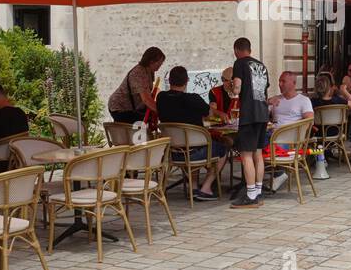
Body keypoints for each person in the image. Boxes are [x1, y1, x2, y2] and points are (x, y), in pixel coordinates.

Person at [155, 65, 225, 201]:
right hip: (194, 154)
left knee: (194, 143)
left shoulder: (161, 98)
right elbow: (209, 112)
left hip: (172, 153)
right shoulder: (193, 99)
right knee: (222, 149)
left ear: (169, 81)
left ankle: (193, 188)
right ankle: (206, 187)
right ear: (187, 81)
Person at [230, 37, 270, 209]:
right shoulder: (261, 65)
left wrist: (231, 88)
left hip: (249, 114)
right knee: (258, 154)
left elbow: (237, 88)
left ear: (237, 50)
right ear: (250, 49)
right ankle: (258, 191)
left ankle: (250, 195)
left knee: (245, 155)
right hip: (263, 113)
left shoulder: (240, 63)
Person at [108, 47, 165, 124]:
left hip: (133, 107)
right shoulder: (139, 73)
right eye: (159, 62)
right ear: (151, 61)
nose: (161, 64)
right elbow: (146, 99)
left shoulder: (149, 71)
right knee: (145, 123)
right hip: (120, 108)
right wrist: (162, 112)